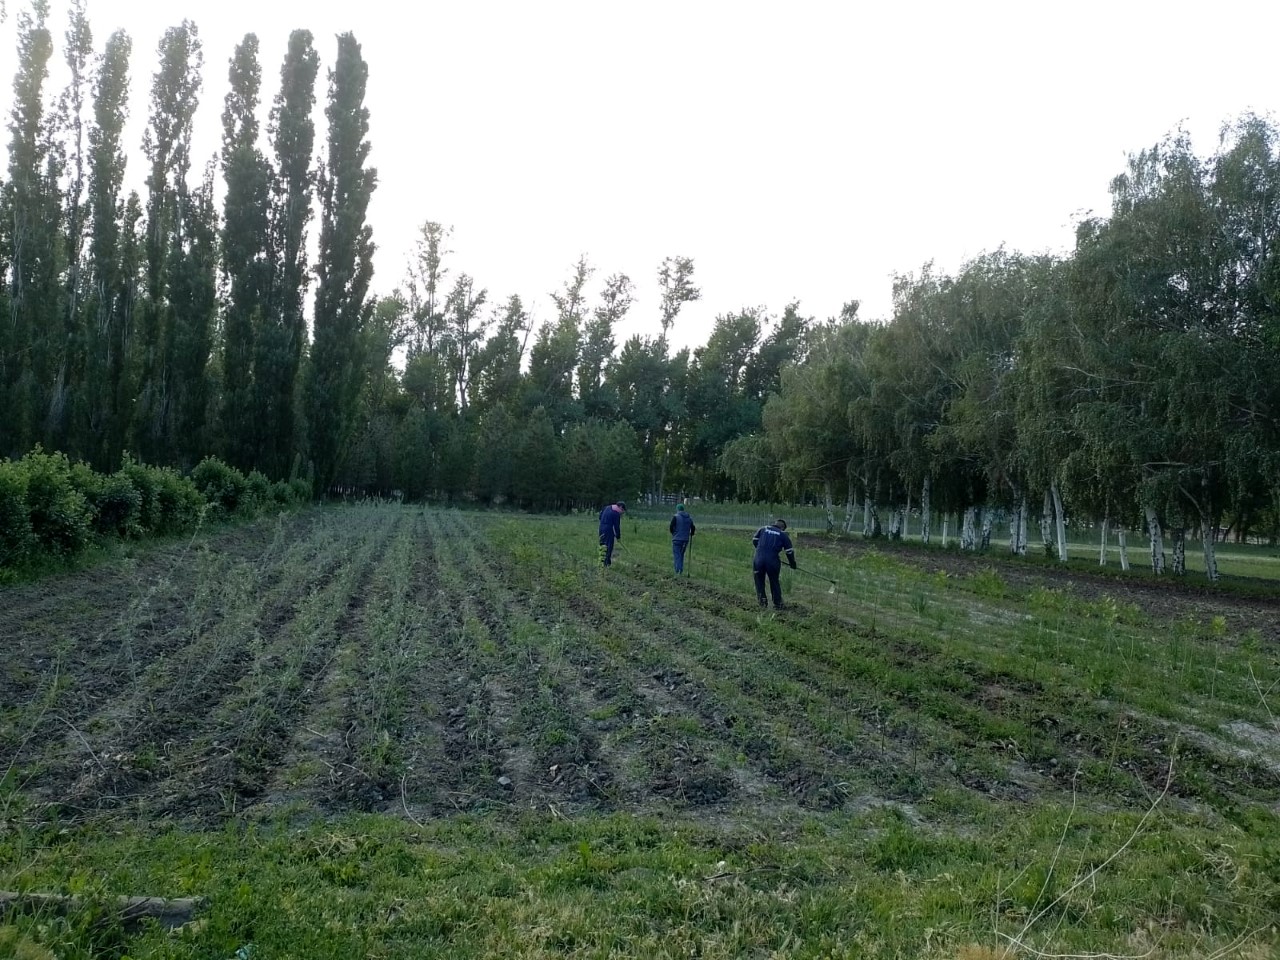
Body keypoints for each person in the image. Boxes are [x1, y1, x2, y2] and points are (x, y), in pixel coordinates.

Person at [752, 518, 796, 609]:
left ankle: (762, 602)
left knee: (759, 580)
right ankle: (778, 604)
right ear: (783, 527)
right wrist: (792, 563)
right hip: (772, 561)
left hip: (758, 559)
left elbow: (755, 540)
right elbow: (789, 551)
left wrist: (761, 550)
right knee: (774, 581)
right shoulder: (783, 534)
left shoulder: (763, 529)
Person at [669, 503, 696, 574]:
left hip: (677, 539)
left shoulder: (676, 517)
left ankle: (678, 570)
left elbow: (671, 527)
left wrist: (673, 533)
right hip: (685, 539)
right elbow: (693, 527)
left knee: (677, 554)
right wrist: (691, 533)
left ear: (677, 509)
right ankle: (680, 570)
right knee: (681, 554)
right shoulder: (689, 517)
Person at [598, 500, 626, 566]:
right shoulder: (616, 513)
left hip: (601, 527)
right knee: (608, 546)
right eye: (623, 510)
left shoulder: (607, 507)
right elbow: (617, 526)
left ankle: (601, 561)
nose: (622, 512)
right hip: (608, 530)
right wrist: (618, 536)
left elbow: (600, 517)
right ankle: (606, 564)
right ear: (621, 507)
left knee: (602, 544)